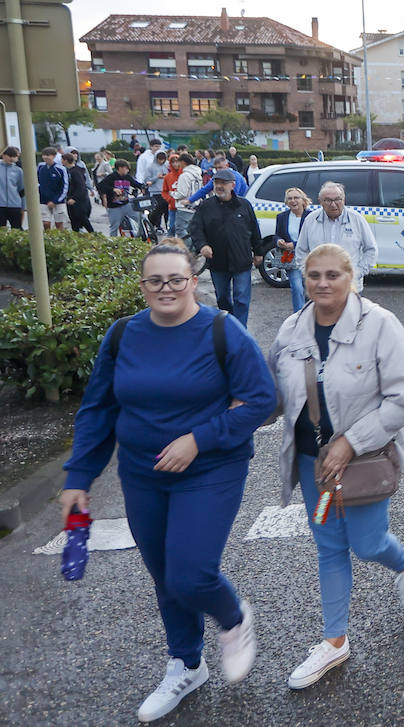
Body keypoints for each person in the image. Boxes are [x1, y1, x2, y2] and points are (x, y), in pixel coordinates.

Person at [59, 243, 276, 722]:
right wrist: (79, 476)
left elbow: (261, 399)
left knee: (191, 573)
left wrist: (198, 439)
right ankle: (186, 663)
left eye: (176, 279)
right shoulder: (122, 336)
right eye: (155, 281)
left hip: (210, 470)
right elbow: (98, 409)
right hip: (141, 473)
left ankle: (234, 617)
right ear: (142, 287)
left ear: (192, 279)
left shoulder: (223, 330)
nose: (166, 289)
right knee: (165, 577)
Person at [267, 243, 404, 691]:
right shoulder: (292, 329)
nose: (322, 283)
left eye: (333, 275)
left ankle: (403, 560)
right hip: (313, 463)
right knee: (330, 547)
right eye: (314, 275)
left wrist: (350, 443)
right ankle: (334, 641)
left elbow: (403, 400)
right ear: (303, 277)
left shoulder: (380, 325)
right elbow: (271, 393)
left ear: (350, 277)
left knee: (368, 543)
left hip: (364, 461)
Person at [189, 169, 267, 325]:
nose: (219, 186)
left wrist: (258, 252)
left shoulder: (244, 205)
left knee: (242, 299)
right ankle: (231, 323)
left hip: (242, 260)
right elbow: (194, 228)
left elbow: (254, 229)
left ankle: (240, 330)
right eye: (216, 183)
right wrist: (202, 245)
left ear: (232, 185)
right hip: (218, 261)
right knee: (222, 298)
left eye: (223, 183)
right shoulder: (206, 206)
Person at [296, 181, 378, 292]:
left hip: (349, 287)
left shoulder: (357, 219)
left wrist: (356, 273)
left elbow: (371, 249)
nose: (333, 204)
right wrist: (310, 274)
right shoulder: (310, 220)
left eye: (337, 199)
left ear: (344, 199)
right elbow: (301, 251)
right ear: (320, 202)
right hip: (319, 289)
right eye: (328, 200)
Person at [274, 187, 313, 312]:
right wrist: (278, 241)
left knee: (309, 288)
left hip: (309, 257)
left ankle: (312, 312)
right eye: (290, 198)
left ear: (303, 200)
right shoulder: (282, 217)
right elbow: (277, 234)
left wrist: (295, 244)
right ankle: (299, 316)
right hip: (290, 257)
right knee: (297, 287)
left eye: (296, 197)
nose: (293, 201)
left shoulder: (311, 216)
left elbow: (313, 238)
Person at [97, 159, 146, 235]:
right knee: (114, 227)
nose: (127, 170)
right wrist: (113, 189)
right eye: (126, 168)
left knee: (140, 219)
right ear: (120, 168)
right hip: (114, 207)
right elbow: (100, 186)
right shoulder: (111, 177)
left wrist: (142, 187)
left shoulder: (127, 177)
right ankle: (114, 243)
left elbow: (135, 183)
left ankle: (142, 236)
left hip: (126, 204)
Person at [37, 146, 70, 230]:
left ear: (54, 156)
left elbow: (65, 186)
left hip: (58, 201)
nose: (45, 157)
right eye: (44, 155)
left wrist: (56, 200)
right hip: (44, 200)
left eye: (48, 155)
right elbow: (37, 182)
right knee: (46, 223)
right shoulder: (40, 167)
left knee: (59, 224)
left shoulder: (60, 169)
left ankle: (60, 240)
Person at [62, 152, 95, 233]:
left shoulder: (75, 172)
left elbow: (81, 186)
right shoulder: (69, 171)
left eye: (62, 160)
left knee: (82, 218)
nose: (61, 161)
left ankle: (93, 234)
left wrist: (74, 198)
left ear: (66, 160)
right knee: (74, 220)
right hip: (71, 199)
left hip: (79, 201)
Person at [171, 154, 201, 241]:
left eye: (179, 162)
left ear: (183, 162)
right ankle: (196, 248)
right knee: (192, 230)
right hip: (195, 204)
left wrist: (173, 194)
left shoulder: (184, 176)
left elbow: (182, 193)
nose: (178, 165)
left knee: (181, 230)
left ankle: (190, 250)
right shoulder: (198, 174)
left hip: (184, 206)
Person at [0, 146, 22, 229]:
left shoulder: (18, 170)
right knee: (2, 229)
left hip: (14, 204)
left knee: (16, 228)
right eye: (9, 156)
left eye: (14, 156)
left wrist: (22, 206)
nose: (11, 158)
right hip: (0, 205)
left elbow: (21, 188)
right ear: (3, 155)